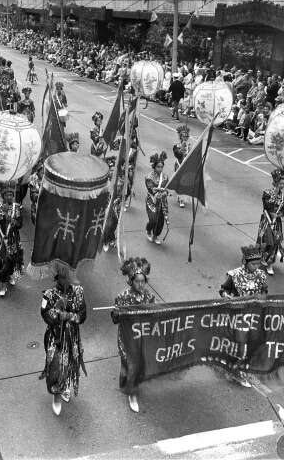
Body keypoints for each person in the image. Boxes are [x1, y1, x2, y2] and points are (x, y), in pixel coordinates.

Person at [40, 267, 87, 416]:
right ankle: (56, 394)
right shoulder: (48, 294)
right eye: (62, 277)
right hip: (55, 337)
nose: (65, 280)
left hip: (72, 336)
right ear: (57, 278)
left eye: (68, 277)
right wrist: (56, 311)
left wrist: (68, 316)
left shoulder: (79, 291)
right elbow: (45, 315)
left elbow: (82, 315)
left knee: (70, 362)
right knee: (55, 363)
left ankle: (65, 384)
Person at [219, 245, 268, 388]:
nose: (256, 266)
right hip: (237, 314)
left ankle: (240, 365)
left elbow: (265, 291)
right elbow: (223, 290)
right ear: (245, 262)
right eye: (253, 263)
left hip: (253, 314)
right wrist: (228, 298)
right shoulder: (234, 275)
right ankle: (236, 371)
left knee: (252, 342)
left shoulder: (261, 275)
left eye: (258, 263)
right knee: (241, 344)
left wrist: (261, 300)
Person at [112, 257, 156, 413]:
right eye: (137, 281)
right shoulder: (122, 297)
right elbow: (115, 319)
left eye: (143, 281)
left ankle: (131, 384)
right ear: (131, 281)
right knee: (129, 362)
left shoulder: (149, 296)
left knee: (139, 362)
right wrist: (118, 313)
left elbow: (153, 317)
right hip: (126, 336)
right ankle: (132, 393)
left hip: (142, 336)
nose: (140, 284)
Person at [0, 183, 24, 297]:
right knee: (3, 259)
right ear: (3, 196)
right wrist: (3, 214)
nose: (9, 197)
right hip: (2, 237)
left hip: (14, 238)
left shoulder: (18, 207)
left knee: (13, 258)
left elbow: (20, 224)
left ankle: (10, 275)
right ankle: (3, 285)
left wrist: (12, 219)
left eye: (11, 195)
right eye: (7, 195)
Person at [256, 168, 284, 275]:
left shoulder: (283, 197)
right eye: (280, 183)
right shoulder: (267, 193)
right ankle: (259, 259)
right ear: (275, 182)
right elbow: (266, 206)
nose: (282, 185)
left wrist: (278, 214)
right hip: (267, 221)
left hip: (276, 223)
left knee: (275, 243)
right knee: (266, 242)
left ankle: (270, 263)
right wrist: (274, 196)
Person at [145, 151, 169, 244]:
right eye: (158, 166)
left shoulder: (165, 177)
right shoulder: (149, 177)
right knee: (153, 219)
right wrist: (156, 194)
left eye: (161, 166)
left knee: (161, 221)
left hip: (162, 201)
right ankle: (148, 229)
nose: (160, 168)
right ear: (154, 167)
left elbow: (166, 188)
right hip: (152, 200)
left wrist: (166, 192)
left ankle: (155, 236)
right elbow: (151, 189)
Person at [172, 124, 190, 208]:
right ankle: (181, 199)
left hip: (186, 165)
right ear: (180, 136)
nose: (185, 138)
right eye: (184, 136)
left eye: (187, 136)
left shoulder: (189, 145)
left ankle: (182, 197)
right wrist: (181, 151)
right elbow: (177, 155)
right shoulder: (176, 145)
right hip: (179, 165)